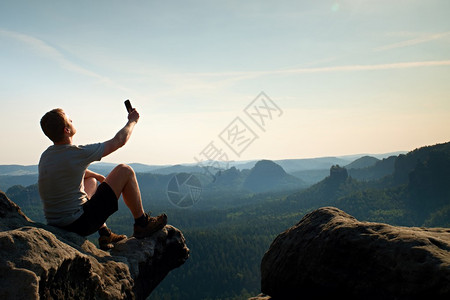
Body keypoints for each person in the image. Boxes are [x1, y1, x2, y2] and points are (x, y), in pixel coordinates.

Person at [38, 107, 167, 250]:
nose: (72, 120)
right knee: (125, 170)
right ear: (66, 130)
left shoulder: (46, 155)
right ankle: (142, 224)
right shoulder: (77, 153)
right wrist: (132, 121)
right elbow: (119, 141)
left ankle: (105, 233)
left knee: (91, 181)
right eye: (69, 120)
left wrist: (96, 176)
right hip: (79, 224)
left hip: (56, 224)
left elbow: (70, 172)